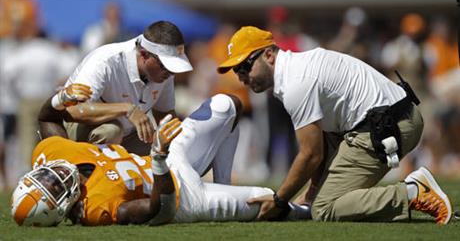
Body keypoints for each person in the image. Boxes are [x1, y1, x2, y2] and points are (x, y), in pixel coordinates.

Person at [217, 26, 452, 224]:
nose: (241, 76)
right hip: (391, 118)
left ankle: (412, 192)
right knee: (318, 200)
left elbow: (311, 154)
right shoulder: (296, 68)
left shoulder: (295, 82)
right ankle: (409, 192)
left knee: (325, 208)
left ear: (269, 55)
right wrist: (309, 194)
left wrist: (279, 201)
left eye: (245, 66)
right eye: (237, 70)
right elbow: (325, 141)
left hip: (389, 125)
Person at [11, 90, 310, 226]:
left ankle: (223, 181)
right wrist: (158, 158)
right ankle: (311, 211)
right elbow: (160, 211)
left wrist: (59, 99)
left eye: (43, 177)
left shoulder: (53, 155)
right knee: (267, 199)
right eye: (52, 187)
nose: (54, 175)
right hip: (183, 196)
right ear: (59, 209)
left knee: (225, 104)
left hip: (167, 157)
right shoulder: (95, 209)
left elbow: (47, 117)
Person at [39, 20, 193, 156]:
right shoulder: (106, 61)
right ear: (145, 55)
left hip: (128, 133)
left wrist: (177, 142)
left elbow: (165, 116)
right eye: (165, 66)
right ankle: (89, 178)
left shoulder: (163, 74)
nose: (171, 73)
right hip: (80, 126)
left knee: (166, 148)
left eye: (173, 69)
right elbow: (74, 111)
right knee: (111, 131)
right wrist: (127, 109)